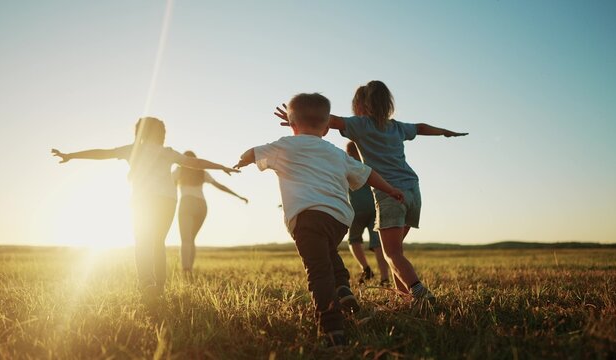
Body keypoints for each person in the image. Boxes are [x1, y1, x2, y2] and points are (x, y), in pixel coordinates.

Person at [236, 93, 404, 347]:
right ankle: (343, 289)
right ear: (326, 128)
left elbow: (253, 152)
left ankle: (332, 327)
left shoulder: (284, 146)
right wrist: (390, 189)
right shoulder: (336, 152)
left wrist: (241, 161)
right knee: (326, 253)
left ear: (292, 124)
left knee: (317, 271)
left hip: (306, 217)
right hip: (339, 219)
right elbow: (367, 173)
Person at [275, 81, 467, 302]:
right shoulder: (396, 126)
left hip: (389, 193)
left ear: (360, 104)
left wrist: (296, 119)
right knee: (397, 252)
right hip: (413, 190)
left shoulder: (361, 125)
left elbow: (325, 120)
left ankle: (419, 292)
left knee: (391, 254)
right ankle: (403, 300)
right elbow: (421, 127)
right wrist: (445, 132)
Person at [51, 117, 238, 301]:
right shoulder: (167, 152)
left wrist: (71, 155)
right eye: (162, 131)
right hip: (168, 200)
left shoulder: (133, 150)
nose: (164, 135)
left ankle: (147, 284)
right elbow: (195, 163)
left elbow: (103, 153)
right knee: (158, 242)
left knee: (143, 241)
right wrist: (221, 167)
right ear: (156, 133)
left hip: (145, 200)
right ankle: (159, 287)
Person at [173, 150, 248, 279]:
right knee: (191, 240)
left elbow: (168, 185)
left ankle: (186, 271)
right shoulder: (202, 172)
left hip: (187, 203)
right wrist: (239, 196)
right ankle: (189, 270)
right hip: (201, 206)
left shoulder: (179, 171)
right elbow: (220, 186)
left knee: (186, 240)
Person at [345, 141, 390, 286]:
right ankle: (384, 278)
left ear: (349, 152)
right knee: (378, 244)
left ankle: (366, 269)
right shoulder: (370, 163)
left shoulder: (347, 165)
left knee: (354, 240)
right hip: (374, 208)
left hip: (355, 209)